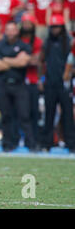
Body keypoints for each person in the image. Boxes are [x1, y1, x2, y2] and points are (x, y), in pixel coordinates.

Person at [0, 21, 36, 152]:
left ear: (17, 31)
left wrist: (5, 60)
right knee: (6, 116)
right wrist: (15, 60)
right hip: (3, 85)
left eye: (13, 29)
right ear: (5, 31)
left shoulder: (24, 45)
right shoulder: (0, 46)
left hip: (19, 84)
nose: (11, 32)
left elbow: (23, 62)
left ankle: (31, 144)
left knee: (24, 115)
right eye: (8, 30)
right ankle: (7, 144)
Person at [39, 14, 75, 152]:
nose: (55, 29)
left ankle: (70, 144)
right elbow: (41, 61)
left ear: (62, 27)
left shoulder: (69, 41)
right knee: (49, 114)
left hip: (65, 83)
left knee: (67, 115)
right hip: (50, 83)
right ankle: (46, 144)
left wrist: (70, 74)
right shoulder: (47, 42)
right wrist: (41, 79)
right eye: (53, 27)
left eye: (57, 27)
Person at [19, 13, 44, 149]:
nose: (27, 25)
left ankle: (35, 141)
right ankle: (25, 140)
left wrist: (21, 59)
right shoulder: (18, 39)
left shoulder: (38, 41)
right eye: (25, 23)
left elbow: (36, 60)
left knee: (34, 112)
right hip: (20, 81)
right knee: (22, 113)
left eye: (29, 23)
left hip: (33, 80)